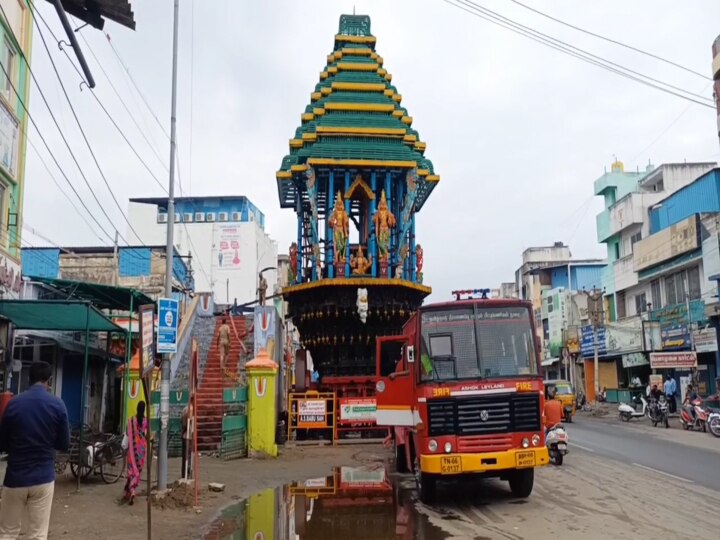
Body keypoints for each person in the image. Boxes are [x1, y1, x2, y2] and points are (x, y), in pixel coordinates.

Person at [0, 361, 69, 540]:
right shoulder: (57, 405)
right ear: (50, 380)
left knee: (7, 532)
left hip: (15, 478)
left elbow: (2, 444)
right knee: (38, 535)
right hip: (43, 479)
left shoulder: (13, 404)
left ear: (29, 378)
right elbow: (63, 444)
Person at [123, 401, 148, 505]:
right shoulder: (146, 421)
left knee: (131, 470)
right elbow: (148, 435)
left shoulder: (131, 420)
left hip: (132, 450)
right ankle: (131, 490)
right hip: (141, 450)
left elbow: (127, 432)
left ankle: (130, 490)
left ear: (137, 408)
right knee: (137, 471)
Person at [181, 398, 194, 479]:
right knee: (188, 456)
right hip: (188, 436)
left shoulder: (185, 409)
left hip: (184, 436)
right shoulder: (190, 410)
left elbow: (182, 423)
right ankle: (187, 474)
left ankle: (184, 474)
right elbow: (187, 423)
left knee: (185, 456)